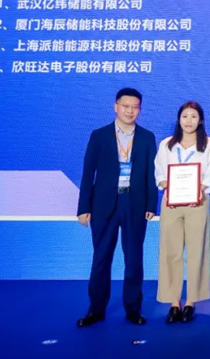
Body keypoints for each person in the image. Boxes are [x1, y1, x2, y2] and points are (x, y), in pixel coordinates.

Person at [76, 88, 157, 327]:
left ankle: (133, 309)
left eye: (135, 107)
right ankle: (95, 309)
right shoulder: (99, 135)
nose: (130, 111)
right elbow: (88, 173)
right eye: (125, 106)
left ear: (140, 110)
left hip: (135, 204)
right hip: (103, 205)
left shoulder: (146, 137)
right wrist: (83, 207)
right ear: (116, 107)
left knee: (134, 259)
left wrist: (151, 204)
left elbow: (150, 174)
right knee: (101, 257)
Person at [154, 101, 210, 324]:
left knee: (197, 251)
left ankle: (190, 301)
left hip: (198, 203)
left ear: (201, 120)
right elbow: (159, 172)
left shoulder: (209, 144)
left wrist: (198, 190)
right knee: (171, 252)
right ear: (179, 119)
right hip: (171, 203)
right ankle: (174, 303)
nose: (189, 121)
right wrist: (169, 189)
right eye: (185, 116)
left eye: (193, 116)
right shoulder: (166, 144)